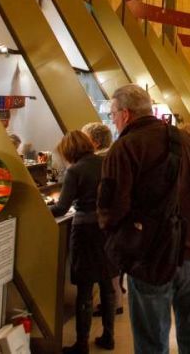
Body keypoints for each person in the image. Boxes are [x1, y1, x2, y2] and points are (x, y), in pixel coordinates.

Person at [98, 85, 190, 354]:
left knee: (151, 341)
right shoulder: (186, 142)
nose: (113, 120)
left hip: (151, 257)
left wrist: (122, 252)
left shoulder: (125, 148)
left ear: (126, 114)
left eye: (113, 113)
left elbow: (111, 208)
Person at [50, 130, 115, 353]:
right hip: (106, 229)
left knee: (85, 288)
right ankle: (108, 336)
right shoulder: (106, 163)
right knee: (107, 284)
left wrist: (42, 209)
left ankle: (81, 343)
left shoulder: (75, 170)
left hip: (85, 231)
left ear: (69, 150)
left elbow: (61, 207)